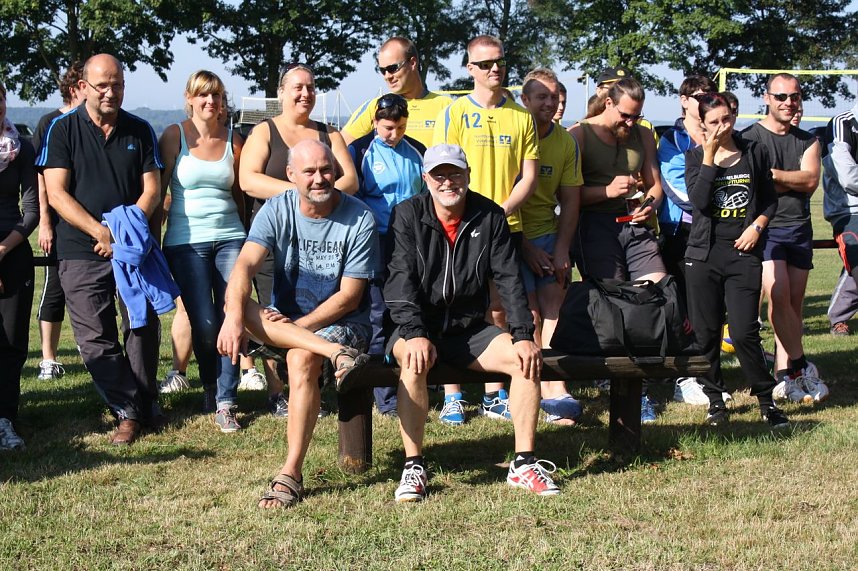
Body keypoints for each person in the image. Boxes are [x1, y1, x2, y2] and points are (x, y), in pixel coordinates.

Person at [384, 143, 560, 501]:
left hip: (469, 329)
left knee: (524, 359)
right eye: (439, 174)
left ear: (468, 175)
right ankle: (413, 465)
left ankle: (523, 462)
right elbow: (398, 279)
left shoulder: (490, 216)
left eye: (455, 173)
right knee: (414, 361)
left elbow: (509, 279)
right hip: (416, 327)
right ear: (426, 179)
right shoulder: (406, 214)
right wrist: (415, 333)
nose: (447, 182)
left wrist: (523, 334)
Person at [219, 139, 377, 508]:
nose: (319, 178)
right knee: (245, 303)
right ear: (291, 175)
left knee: (300, 358)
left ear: (336, 171)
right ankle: (336, 354)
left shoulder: (360, 217)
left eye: (326, 170)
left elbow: (350, 298)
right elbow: (244, 265)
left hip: (344, 323)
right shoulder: (276, 209)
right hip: (290, 324)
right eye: (309, 171)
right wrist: (233, 317)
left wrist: (298, 328)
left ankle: (290, 472)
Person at [37, 54, 166, 445]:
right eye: (103, 86)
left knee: (141, 326)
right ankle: (129, 410)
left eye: (118, 85)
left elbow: (152, 189)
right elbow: (57, 193)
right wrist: (100, 231)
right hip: (79, 248)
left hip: (132, 249)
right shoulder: (61, 129)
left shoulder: (140, 130)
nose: (111, 92)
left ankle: (144, 401)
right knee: (95, 336)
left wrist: (123, 233)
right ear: (84, 87)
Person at [239, 63, 357, 417]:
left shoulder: (329, 134)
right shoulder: (264, 131)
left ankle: (311, 385)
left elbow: (349, 180)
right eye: (297, 87)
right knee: (274, 311)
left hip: (324, 238)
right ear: (282, 93)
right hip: (274, 238)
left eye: (311, 87)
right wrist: (300, 192)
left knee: (312, 311)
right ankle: (278, 392)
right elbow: (248, 180)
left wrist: (316, 193)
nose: (305, 94)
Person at [432, 35, 539, 425]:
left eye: (500, 61)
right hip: (459, 225)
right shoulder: (455, 112)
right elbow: (443, 171)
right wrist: (470, 214)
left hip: (504, 225)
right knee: (451, 302)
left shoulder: (522, 116)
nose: (495, 68)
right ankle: (452, 396)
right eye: (486, 63)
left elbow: (528, 177)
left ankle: (495, 392)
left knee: (500, 307)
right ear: (470, 69)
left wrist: (497, 213)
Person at [684, 92, 789, 428]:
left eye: (727, 118)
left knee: (744, 331)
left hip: (743, 252)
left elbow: (770, 201)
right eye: (714, 122)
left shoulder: (753, 150)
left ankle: (765, 400)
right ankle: (716, 400)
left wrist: (758, 227)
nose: (723, 126)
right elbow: (699, 202)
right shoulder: (695, 157)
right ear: (702, 123)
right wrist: (710, 157)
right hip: (703, 254)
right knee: (707, 332)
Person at [568, 76, 665, 422]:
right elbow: (566, 196)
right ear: (608, 103)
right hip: (594, 227)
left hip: (634, 225)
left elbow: (655, 185)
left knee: (655, 291)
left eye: (636, 117)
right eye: (625, 115)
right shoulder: (579, 134)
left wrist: (650, 205)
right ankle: (616, 381)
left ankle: (641, 380)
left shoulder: (642, 134)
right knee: (615, 302)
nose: (630, 123)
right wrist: (606, 191)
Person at [157, 70, 247, 431]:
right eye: (203, 95)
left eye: (217, 96)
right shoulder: (173, 136)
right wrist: (153, 242)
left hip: (231, 238)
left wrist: (248, 241)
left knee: (231, 317)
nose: (211, 102)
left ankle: (226, 399)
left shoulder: (234, 141)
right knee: (205, 324)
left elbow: (239, 195)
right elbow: (158, 191)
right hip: (184, 241)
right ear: (190, 99)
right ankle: (210, 384)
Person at [742, 73, 828, 404]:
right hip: (766, 228)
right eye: (780, 96)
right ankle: (801, 365)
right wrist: (786, 179)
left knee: (792, 305)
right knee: (778, 294)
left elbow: (809, 181)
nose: (787, 102)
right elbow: (751, 184)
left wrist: (775, 175)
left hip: (798, 227)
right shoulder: (749, 137)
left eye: (793, 96)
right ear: (766, 98)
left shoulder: (808, 140)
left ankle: (786, 372)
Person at [348, 93, 426, 417]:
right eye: (388, 127)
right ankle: (384, 395)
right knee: (378, 312)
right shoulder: (361, 150)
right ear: (376, 122)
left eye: (401, 127)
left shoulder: (418, 150)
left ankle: (418, 381)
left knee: (411, 306)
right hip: (376, 239)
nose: (394, 133)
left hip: (411, 238)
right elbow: (351, 194)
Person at [518, 68, 584, 425]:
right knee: (527, 314)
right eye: (541, 96)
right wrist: (524, 246)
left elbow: (571, 202)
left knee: (554, 305)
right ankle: (531, 385)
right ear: (524, 100)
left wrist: (561, 249)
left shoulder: (565, 142)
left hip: (547, 232)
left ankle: (556, 388)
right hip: (511, 235)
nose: (550, 102)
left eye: (554, 96)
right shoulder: (513, 134)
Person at [656, 75, 723, 407]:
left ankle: (708, 371)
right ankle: (685, 375)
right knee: (683, 306)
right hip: (682, 234)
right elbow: (679, 188)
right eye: (697, 95)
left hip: (718, 233)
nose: (703, 100)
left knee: (712, 306)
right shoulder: (672, 139)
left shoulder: (719, 131)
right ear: (683, 100)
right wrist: (715, 201)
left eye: (709, 94)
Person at [32, 62, 84, 381]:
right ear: (76, 87)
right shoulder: (50, 123)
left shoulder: (95, 124)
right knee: (54, 289)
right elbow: (41, 180)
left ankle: (90, 347)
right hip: (59, 224)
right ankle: (49, 360)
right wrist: (45, 222)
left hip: (88, 225)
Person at [0, 81, 38, 450]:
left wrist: (1, 250)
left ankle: (6, 419)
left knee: (12, 343)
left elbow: (32, 213)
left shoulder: (22, 148)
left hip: (14, 252)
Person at [342, 37, 452, 148]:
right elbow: (341, 147)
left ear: (413, 63)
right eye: (382, 70)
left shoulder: (447, 107)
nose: (387, 76)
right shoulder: (377, 106)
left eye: (392, 68)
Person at [822, 99, 858, 338]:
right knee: (856, 256)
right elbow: (847, 177)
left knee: (853, 265)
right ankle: (838, 319)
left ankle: (839, 316)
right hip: (848, 210)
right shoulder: (841, 124)